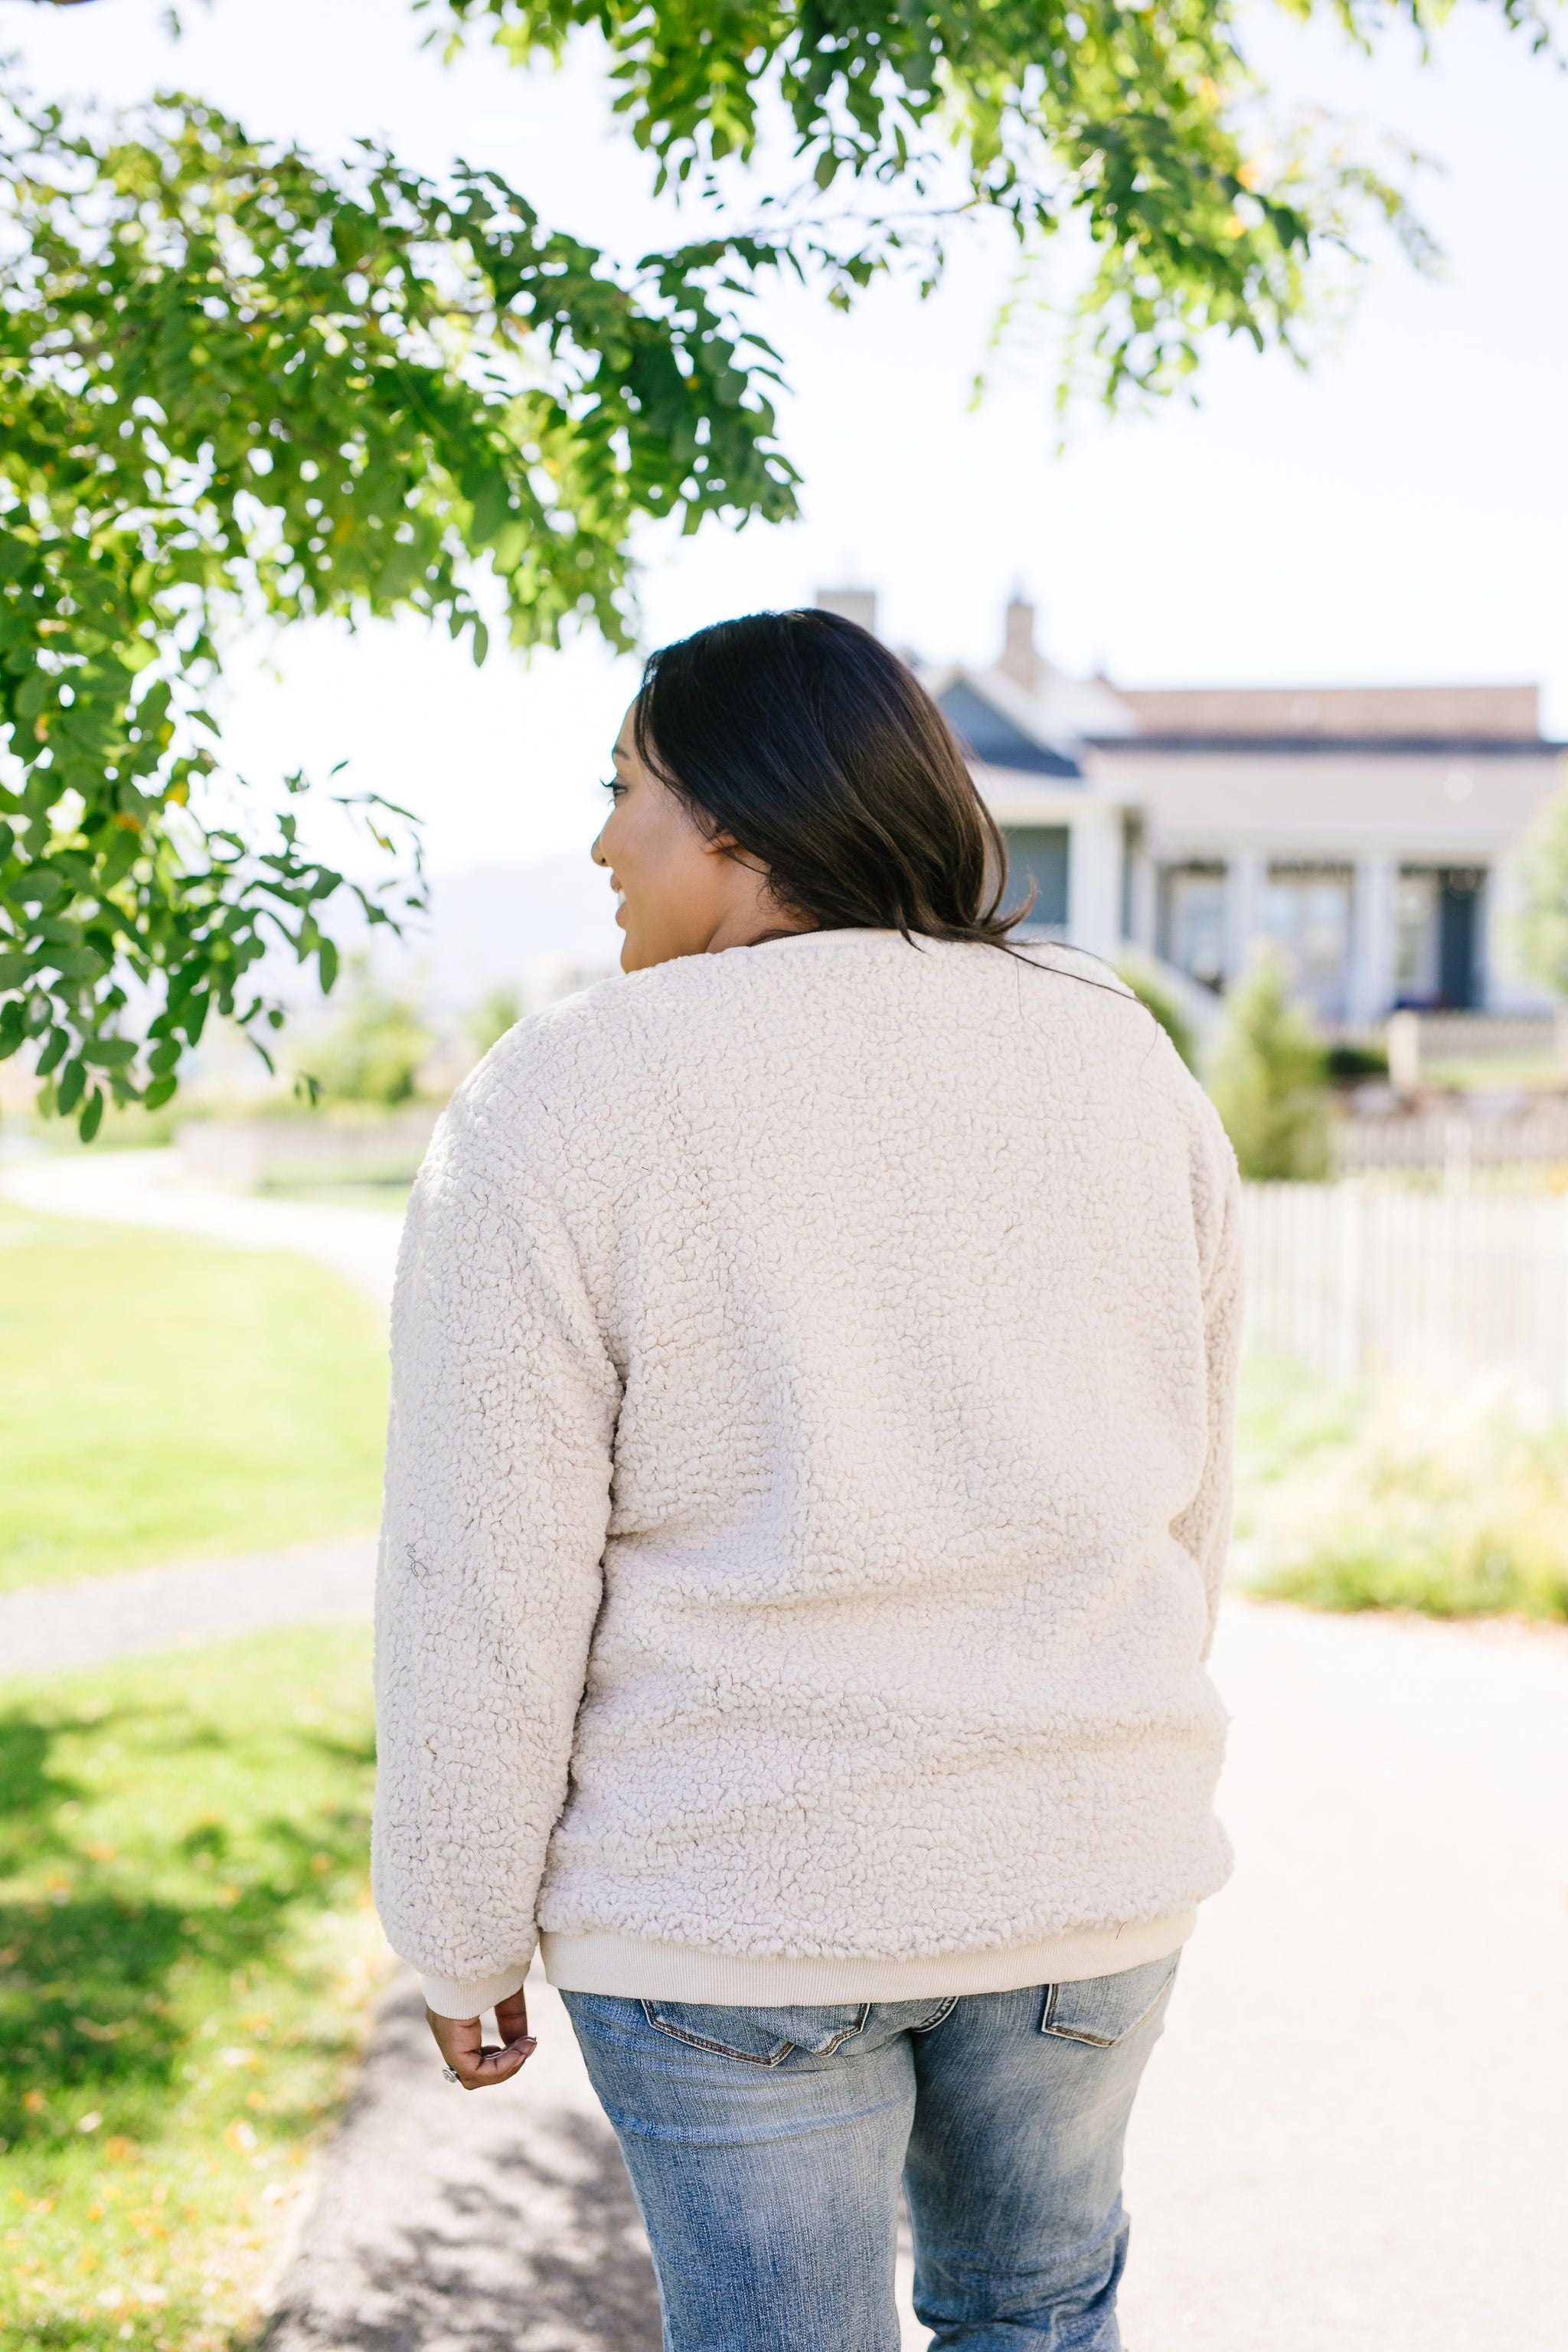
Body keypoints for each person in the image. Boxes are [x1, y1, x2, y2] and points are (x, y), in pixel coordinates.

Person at [372, 607, 1241, 2352]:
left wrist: (457, 1928)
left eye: (622, 789)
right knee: (1039, 2313)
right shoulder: (1115, 1049)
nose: (600, 844)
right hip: (1082, 1876)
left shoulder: (562, 1095)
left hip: (732, 1909)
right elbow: (1190, 1470)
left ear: (732, 816)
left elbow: (485, 1572)